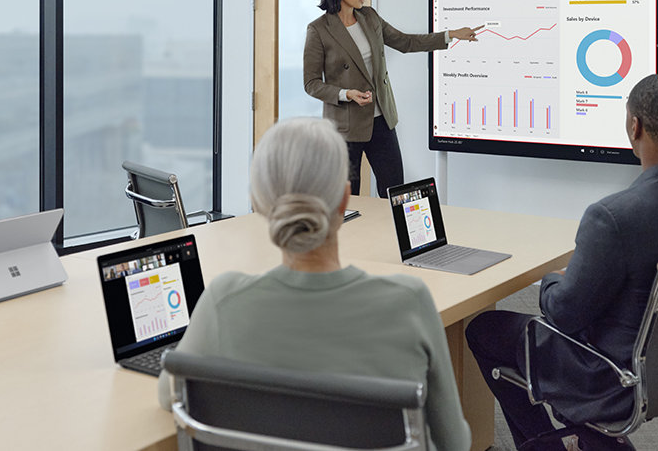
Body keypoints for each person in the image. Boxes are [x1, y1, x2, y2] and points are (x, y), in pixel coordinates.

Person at [465, 74, 658, 450]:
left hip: (616, 376)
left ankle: (548, 443)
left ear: (635, 127)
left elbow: (564, 315)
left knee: (485, 329)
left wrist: (554, 280)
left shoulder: (614, 216)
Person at [157, 117, 471, 451]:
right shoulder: (409, 302)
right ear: (345, 200)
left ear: (259, 203)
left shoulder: (223, 301)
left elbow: (169, 395)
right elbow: (454, 441)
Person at [303, 0, 481, 197]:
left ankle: (392, 235)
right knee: (347, 199)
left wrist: (450, 35)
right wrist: (345, 94)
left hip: (381, 121)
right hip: (345, 128)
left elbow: (406, 42)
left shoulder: (369, 17)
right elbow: (311, 83)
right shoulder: (319, 29)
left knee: (395, 193)